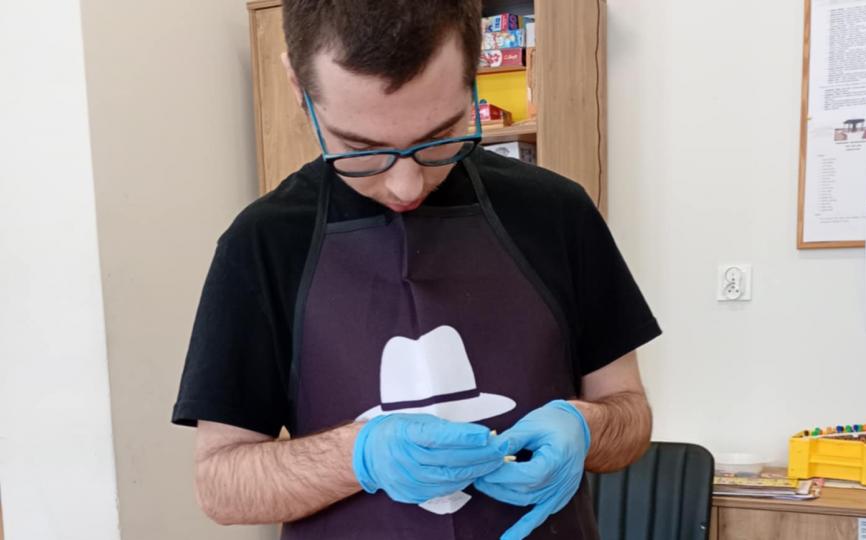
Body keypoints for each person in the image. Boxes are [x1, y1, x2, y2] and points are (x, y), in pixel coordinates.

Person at [171, 1, 660, 538]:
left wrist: (586, 429)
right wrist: (357, 455)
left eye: (440, 135)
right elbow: (220, 482)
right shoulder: (261, 243)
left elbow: (630, 414)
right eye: (360, 149)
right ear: (297, 85)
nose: (405, 186)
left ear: (474, 69)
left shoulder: (557, 213)